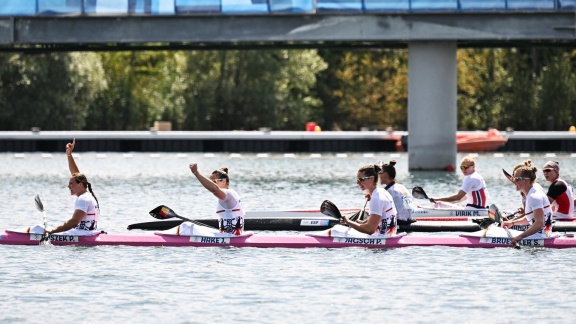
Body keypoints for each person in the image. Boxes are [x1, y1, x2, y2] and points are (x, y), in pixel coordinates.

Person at [47, 138, 100, 234]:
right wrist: (69, 154)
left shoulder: (83, 199)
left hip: (82, 236)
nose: (68, 186)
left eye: (71, 184)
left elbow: (74, 223)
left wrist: (52, 231)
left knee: (38, 229)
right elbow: (76, 175)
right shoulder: (87, 195)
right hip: (87, 234)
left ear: (80, 185)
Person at [502, 160, 553, 244]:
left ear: (526, 180)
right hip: (541, 235)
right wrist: (512, 223)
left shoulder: (534, 196)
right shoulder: (532, 191)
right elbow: (530, 218)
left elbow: (539, 223)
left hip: (540, 237)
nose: (514, 181)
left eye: (516, 179)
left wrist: (520, 237)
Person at [341, 164, 398, 236]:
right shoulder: (381, 192)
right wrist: (364, 222)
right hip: (387, 235)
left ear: (371, 179)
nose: (358, 182)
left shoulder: (376, 198)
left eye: (361, 179)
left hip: (380, 239)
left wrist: (348, 221)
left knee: (337, 230)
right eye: (357, 179)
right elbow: (382, 216)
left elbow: (370, 230)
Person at [189, 163, 245, 235]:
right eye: (210, 181)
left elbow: (215, 189)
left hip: (230, 239)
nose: (210, 184)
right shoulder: (232, 194)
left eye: (214, 182)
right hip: (229, 236)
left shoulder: (229, 194)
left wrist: (196, 173)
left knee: (186, 226)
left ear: (224, 181)